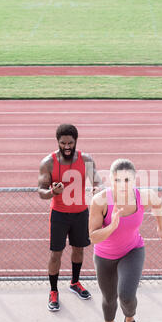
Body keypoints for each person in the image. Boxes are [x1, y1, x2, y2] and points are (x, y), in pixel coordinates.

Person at [89, 159, 162, 322]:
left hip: (132, 250)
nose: (123, 185)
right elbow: (93, 237)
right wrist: (112, 227)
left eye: (127, 180)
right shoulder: (100, 201)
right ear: (111, 180)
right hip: (104, 256)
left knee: (126, 295)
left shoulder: (144, 196)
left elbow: (158, 204)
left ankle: (130, 321)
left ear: (135, 180)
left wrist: (160, 228)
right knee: (109, 299)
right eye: (117, 180)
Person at [38, 124, 104, 312]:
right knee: (55, 254)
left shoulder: (86, 159)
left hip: (81, 213)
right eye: (63, 143)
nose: (67, 146)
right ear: (57, 142)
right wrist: (52, 191)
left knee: (79, 250)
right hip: (59, 214)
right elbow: (41, 191)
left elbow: (97, 180)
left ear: (76, 142)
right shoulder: (48, 163)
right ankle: (53, 291)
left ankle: (75, 283)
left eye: (70, 143)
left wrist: (97, 188)